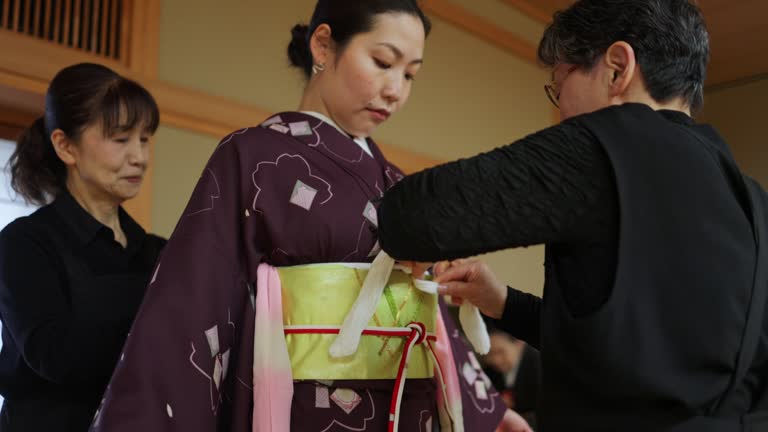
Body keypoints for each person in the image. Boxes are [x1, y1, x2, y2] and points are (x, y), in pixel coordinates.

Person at [89, 1, 526, 431]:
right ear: (323, 46)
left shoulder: (397, 182)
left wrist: (488, 407)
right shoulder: (251, 156)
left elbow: (427, 315)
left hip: (407, 407)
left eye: (410, 74)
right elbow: (193, 301)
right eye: (382, 62)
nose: (396, 90)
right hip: (306, 409)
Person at [376, 0, 768, 430]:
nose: (561, 109)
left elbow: (410, 217)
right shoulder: (751, 199)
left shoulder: (608, 143)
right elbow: (626, 348)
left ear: (617, 68)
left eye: (559, 87)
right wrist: (503, 303)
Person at [0, 63, 165, 431]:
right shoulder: (25, 244)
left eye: (144, 138)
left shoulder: (157, 252)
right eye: (121, 139)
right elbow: (55, 354)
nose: (139, 156)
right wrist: (161, 304)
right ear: (66, 146)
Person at [483, 329, 540, 426]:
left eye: (500, 352)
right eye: (489, 354)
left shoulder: (540, 364)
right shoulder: (489, 370)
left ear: (519, 344)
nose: (495, 360)